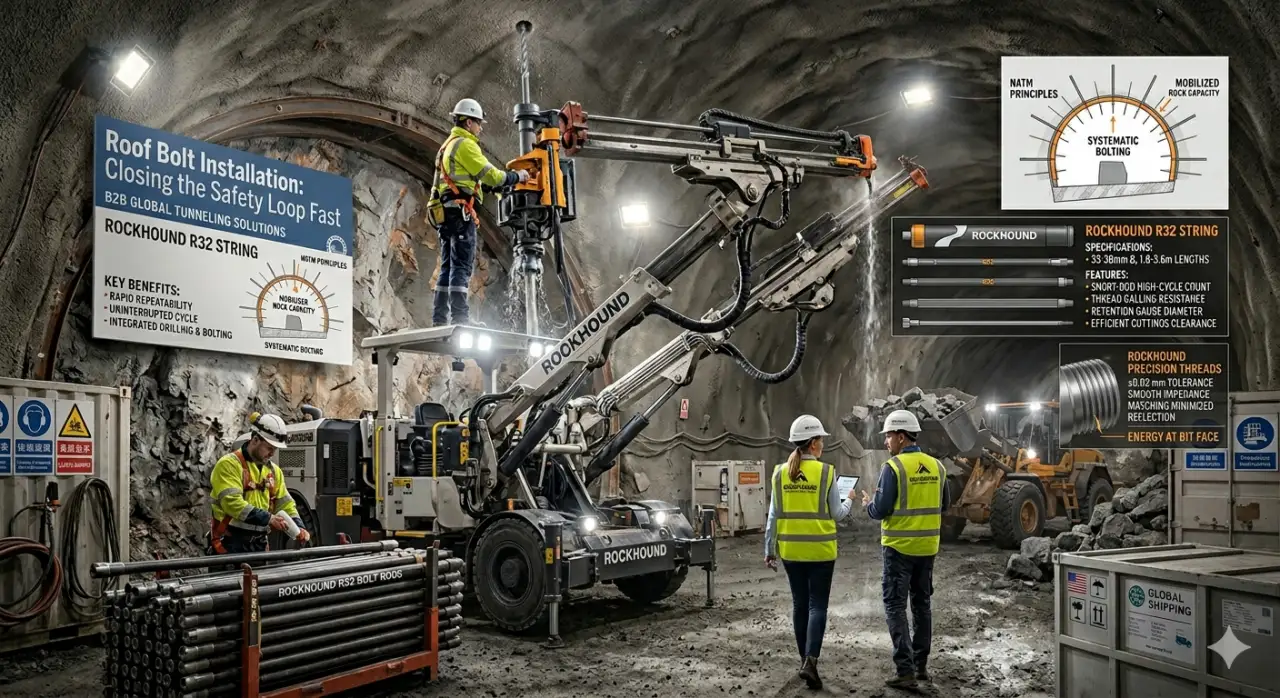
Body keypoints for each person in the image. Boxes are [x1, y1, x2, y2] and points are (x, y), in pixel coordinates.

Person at [860, 409, 951, 690]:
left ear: (901, 437)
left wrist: (867, 505)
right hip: (927, 547)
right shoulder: (937, 466)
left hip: (899, 549)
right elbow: (944, 505)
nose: (886, 441)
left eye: (888, 436)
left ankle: (905, 669)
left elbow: (881, 509)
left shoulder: (893, 468)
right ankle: (921, 666)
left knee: (895, 605)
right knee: (922, 604)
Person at [764, 414, 856, 690]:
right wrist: (849, 500)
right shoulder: (827, 473)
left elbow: (772, 517)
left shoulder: (780, 472)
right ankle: (811, 662)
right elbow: (838, 514)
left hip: (791, 551)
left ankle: (803, 659)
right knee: (818, 606)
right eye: (821, 439)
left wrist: (769, 549)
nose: (823, 444)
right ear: (814, 443)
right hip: (820, 552)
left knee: (800, 605)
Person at [428, 97, 530, 327]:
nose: (480, 128)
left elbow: (465, 180)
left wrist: (491, 188)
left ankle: (440, 319)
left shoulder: (447, 145)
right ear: (467, 122)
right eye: (478, 122)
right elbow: (492, 175)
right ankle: (461, 319)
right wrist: (518, 177)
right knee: (462, 266)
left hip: (447, 213)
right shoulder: (465, 144)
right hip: (460, 212)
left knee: (447, 266)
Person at [208, 412, 310, 556]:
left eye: (275, 450)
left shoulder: (274, 472)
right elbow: (232, 504)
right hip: (230, 543)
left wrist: (299, 526)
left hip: (259, 544)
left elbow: (285, 503)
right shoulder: (229, 465)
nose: (272, 454)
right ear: (255, 440)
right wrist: (269, 519)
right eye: (269, 448)